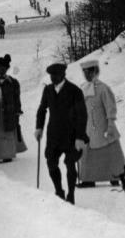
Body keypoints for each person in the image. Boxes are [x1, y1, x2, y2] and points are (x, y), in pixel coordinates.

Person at [35, 63, 88, 203]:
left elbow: (82, 115)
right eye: (51, 75)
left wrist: (80, 137)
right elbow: (42, 109)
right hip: (54, 135)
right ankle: (59, 191)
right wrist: (39, 127)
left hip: (72, 135)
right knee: (51, 163)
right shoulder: (48, 90)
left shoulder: (75, 91)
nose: (53, 78)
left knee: (70, 164)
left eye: (55, 75)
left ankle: (71, 194)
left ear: (63, 75)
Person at [77, 59, 125, 187]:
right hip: (88, 127)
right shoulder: (82, 88)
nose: (86, 75)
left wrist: (110, 124)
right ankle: (89, 179)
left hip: (103, 126)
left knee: (110, 152)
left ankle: (115, 176)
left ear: (95, 71)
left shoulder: (104, 88)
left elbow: (110, 107)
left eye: (89, 72)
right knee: (88, 154)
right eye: (84, 72)